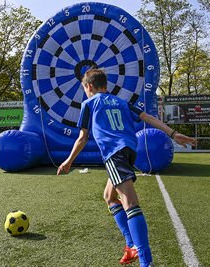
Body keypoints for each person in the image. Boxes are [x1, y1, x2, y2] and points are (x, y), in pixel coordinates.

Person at [57, 68, 197, 266]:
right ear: (105, 86)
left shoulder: (88, 103)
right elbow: (148, 117)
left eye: (84, 88)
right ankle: (131, 245)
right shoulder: (122, 102)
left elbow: (83, 137)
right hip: (130, 150)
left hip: (115, 153)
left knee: (130, 203)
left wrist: (68, 161)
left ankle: (146, 262)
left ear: (88, 86)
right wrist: (173, 134)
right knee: (109, 196)